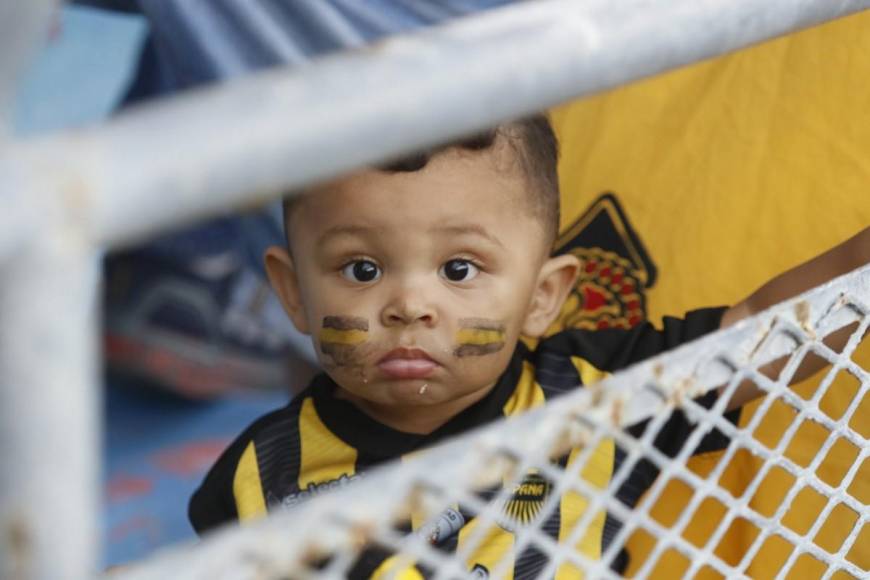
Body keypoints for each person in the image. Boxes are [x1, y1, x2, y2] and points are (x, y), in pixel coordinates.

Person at [188, 115, 869, 577]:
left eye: (460, 269)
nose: (409, 306)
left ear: (544, 295)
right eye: (361, 270)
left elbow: (764, 324)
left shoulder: (600, 392)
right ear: (295, 291)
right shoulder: (258, 475)